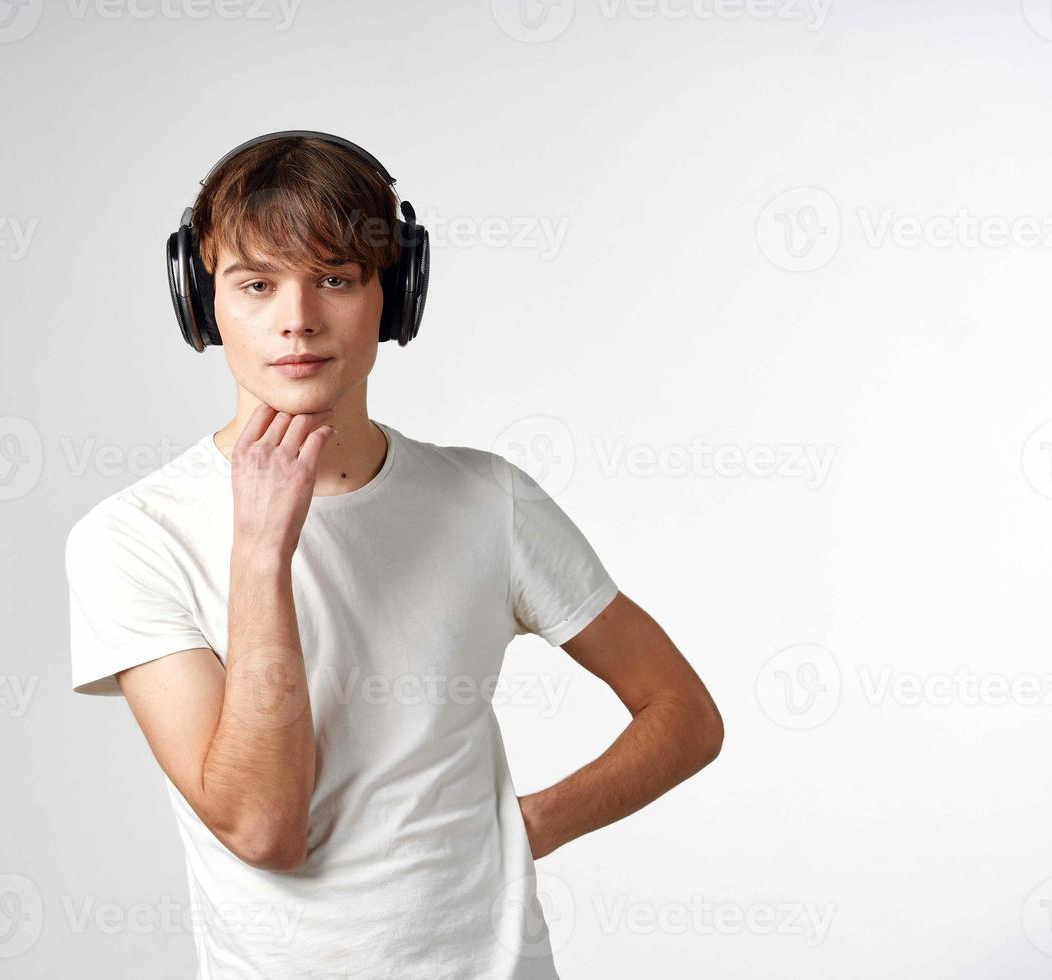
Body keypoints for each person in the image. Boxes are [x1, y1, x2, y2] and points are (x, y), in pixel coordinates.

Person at [65, 131, 724, 979]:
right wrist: (261, 552)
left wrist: (522, 829)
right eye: (256, 284)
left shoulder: (490, 500)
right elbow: (264, 827)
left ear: (395, 297)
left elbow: (684, 715)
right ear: (204, 303)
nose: (296, 318)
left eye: (335, 278)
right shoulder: (132, 537)